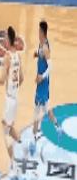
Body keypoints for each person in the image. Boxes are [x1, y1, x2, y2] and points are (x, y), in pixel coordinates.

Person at [0, 26, 23, 171]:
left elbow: (2, 79)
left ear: (9, 40)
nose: (3, 40)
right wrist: (14, 87)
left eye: (5, 38)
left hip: (10, 99)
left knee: (5, 131)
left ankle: (14, 164)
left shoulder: (7, 57)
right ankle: (24, 147)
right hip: (15, 98)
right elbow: (21, 78)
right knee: (10, 128)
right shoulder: (18, 56)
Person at [31, 20, 60, 153]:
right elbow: (41, 53)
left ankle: (33, 140)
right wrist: (37, 54)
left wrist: (41, 76)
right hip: (43, 83)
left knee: (37, 110)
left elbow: (51, 66)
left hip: (42, 83)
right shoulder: (42, 44)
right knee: (47, 107)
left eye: (39, 31)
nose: (38, 33)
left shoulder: (45, 47)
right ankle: (58, 128)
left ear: (42, 32)